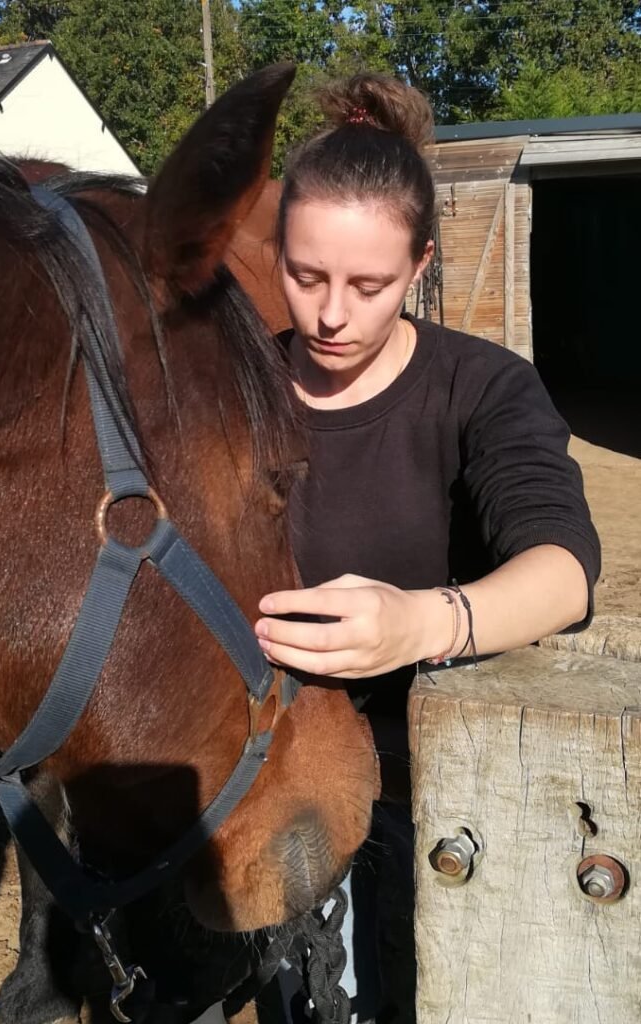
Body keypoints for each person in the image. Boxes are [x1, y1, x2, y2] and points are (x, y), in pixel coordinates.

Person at [252, 72, 601, 1020]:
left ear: (420, 268)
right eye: (305, 275)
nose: (330, 316)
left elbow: (563, 568)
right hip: (265, 784)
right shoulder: (229, 384)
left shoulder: (481, 387)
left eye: (368, 286)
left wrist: (421, 622)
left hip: (427, 789)